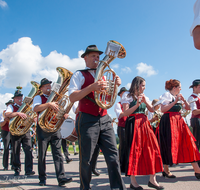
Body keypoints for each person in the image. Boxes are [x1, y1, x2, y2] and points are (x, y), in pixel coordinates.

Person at [69, 45, 126, 190]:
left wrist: (115, 87)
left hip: (105, 118)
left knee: (113, 157)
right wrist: (91, 87)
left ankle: (118, 188)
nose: (97, 58)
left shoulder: (104, 75)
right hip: (87, 119)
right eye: (93, 56)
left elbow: (108, 98)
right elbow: (72, 97)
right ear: (85, 58)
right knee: (86, 159)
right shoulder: (79, 74)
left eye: (98, 56)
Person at [119, 76, 164, 190]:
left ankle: (152, 180)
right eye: (143, 85)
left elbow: (152, 110)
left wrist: (145, 101)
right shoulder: (127, 95)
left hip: (144, 123)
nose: (144, 88)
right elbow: (125, 113)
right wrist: (137, 104)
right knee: (134, 150)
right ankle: (133, 182)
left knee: (152, 149)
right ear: (137, 85)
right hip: (133, 122)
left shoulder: (145, 96)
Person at [33, 78, 72, 186]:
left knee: (58, 154)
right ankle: (42, 178)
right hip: (43, 129)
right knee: (42, 155)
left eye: (49, 85)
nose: (49, 87)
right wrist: (49, 104)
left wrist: (63, 114)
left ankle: (61, 178)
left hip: (55, 128)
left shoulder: (56, 97)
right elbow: (36, 108)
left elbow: (60, 109)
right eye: (46, 86)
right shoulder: (38, 97)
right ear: (41, 88)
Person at [159, 79, 200, 180]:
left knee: (188, 143)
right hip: (169, 120)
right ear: (174, 88)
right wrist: (175, 101)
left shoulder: (178, 96)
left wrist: (184, 100)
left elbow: (188, 108)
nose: (181, 89)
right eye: (180, 87)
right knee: (168, 145)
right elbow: (163, 109)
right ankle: (166, 170)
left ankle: (197, 170)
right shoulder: (167, 95)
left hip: (179, 120)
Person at [5, 87, 35, 176]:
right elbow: (7, 114)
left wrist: (32, 119)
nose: (20, 100)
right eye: (18, 98)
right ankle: (16, 168)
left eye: (21, 98)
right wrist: (18, 113)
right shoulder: (11, 106)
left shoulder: (26, 106)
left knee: (29, 149)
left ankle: (29, 169)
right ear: (14, 99)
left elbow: (30, 115)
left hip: (25, 130)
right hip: (15, 131)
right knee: (15, 150)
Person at [114, 87, 128, 172]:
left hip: (128, 126)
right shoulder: (118, 104)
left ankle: (127, 164)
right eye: (123, 93)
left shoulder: (129, 103)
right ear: (120, 94)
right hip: (122, 127)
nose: (125, 95)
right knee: (122, 146)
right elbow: (120, 115)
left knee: (128, 146)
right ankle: (121, 165)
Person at [188, 79, 200, 166]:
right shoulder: (192, 97)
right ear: (194, 87)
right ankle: (197, 162)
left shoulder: (198, 97)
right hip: (196, 120)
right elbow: (194, 111)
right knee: (197, 141)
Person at [0, 100, 14, 171]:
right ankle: (5, 165)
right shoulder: (3, 113)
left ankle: (13, 164)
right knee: (6, 148)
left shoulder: (14, 112)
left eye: (11, 104)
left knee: (14, 148)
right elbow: (1, 124)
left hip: (13, 131)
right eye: (9, 105)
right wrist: (5, 120)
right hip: (5, 131)